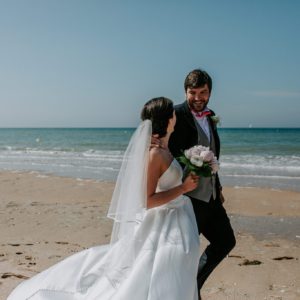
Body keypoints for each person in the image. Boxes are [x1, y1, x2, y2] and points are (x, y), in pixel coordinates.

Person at [8, 97, 201, 300]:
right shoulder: (155, 154)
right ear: (167, 119)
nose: (175, 116)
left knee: (176, 267)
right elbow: (147, 200)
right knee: (164, 267)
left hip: (176, 219)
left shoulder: (165, 149)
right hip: (163, 223)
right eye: (172, 112)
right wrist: (183, 188)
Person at [168, 69, 236, 299]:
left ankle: (191, 287)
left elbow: (212, 152)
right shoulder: (175, 114)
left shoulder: (210, 115)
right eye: (192, 92)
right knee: (185, 253)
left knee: (226, 241)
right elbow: (166, 152)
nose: (198, 98)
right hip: (188, 198)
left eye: (203, 92)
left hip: (212, 196)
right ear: (185, 92)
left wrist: (217, 185)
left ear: (210, 92)